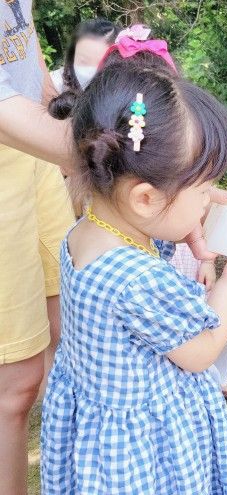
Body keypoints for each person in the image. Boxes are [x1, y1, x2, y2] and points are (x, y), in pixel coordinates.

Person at [40, 36, 227, 493]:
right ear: (145, 197)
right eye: (204, 189)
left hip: (100, 432)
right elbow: (200, 353)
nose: (208, 199)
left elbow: (176, 215)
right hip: (145, 450)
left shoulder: (86, 231)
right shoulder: (141, 279)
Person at [0, 2, 76, 493]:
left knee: (68, 327)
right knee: (15, 384)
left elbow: (25, 57)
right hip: (11, 138)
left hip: (32, 147)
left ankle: (68, 477)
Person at [169, 243, 227, 402]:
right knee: (177, 332)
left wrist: (207, 262)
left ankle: (217, 378)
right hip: (161, 266)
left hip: (191, 261)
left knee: (208, 321)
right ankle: (186, 382)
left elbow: (204, 227)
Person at [48, 18, 121, 96]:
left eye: (103, 62)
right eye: (84, 61)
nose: (92, 70)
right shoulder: (53, 85)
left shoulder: (127, 89)